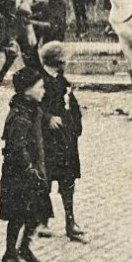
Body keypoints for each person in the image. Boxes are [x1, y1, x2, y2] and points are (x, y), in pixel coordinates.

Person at [0, 66, 51, 262]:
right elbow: (18, 149)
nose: (43, 90)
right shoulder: (19, 117)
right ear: (27, 91)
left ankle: (25, 247)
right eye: (40, 87)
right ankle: (10, 254)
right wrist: (30, 169)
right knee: (17, 214)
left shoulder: (34, 110)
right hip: (19, 174)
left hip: (35, 170)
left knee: (36, 212)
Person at [35, 42, 86, 243]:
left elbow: (72, 105)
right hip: (48, 140)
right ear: (57, 62)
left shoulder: (63, 81)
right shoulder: (40, 81)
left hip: (66, 138)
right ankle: (43, 220)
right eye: (64, 59)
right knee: (45, 179)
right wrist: (47, 118)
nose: (66, 62)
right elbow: (34, 106)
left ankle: (70, 222)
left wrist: (76, 125)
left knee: (68, 180)